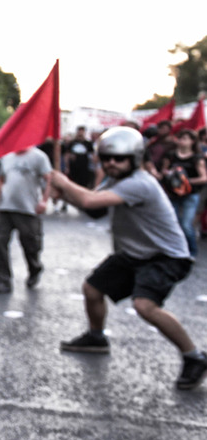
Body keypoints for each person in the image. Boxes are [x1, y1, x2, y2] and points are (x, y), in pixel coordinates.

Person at [50, 126, 207, 390]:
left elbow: (89, 201)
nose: (112, 163)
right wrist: (64, 194)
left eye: (119, 158)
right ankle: (97, 337)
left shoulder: (139, 183)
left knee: (145, 306)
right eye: (107, 157)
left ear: (133, 159)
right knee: (92, 289)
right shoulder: (114, 181)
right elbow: (96, 211)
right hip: (134, 253)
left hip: (166, 256)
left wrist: (64, 184)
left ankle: (194, 357)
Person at [0, 146, 53, 293]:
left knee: (30, 244)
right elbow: (1, 178)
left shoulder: (39, 156)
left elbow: (47, 179)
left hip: (27, 208)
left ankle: (35, 269)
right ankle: (3, 281)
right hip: (5, 207)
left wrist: (44, 200)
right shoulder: (7, 156)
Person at [158, 129, 206, 257]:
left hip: (190, 195)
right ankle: (174, 249)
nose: (182, 141)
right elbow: (164, 171)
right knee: (172, 223)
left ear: (192, 141)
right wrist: (170, 176)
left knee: (186, 225)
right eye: (180, 138)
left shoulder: (197, 158)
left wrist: (185, 181)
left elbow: (204, 177)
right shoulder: (171, 155)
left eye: (185, 138)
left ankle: (192, 252)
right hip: (173, 194)